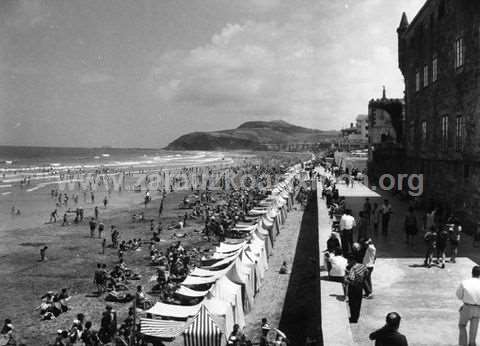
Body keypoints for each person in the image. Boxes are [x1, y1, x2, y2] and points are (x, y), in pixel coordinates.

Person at [456, 265, 480, 346]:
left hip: (467, 307)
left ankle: (463, 344)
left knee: (462, 326)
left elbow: (459, 295)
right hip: (478, 309)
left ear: (472, 273)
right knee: (473, 333)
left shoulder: (464, 282)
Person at [344, 256, 368, 323]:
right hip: (360, 287)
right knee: (358, 303)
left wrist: (346, 280)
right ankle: (356, 317)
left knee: (352, 303)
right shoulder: (362, 266)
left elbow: (351, 279)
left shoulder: (352, 269)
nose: (348, 262)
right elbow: (366, 272)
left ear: (353, 261)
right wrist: (362, 280)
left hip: (353, 288)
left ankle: (353, 319)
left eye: (349, 261)